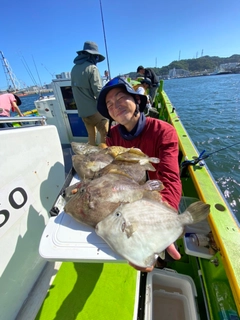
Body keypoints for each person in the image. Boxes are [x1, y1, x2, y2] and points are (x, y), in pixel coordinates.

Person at [97, 76, 182, 272]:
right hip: (129, 199)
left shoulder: (164, 131)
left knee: (161, 251)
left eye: (120, 98)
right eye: (109, 104)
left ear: (137, 100)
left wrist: (162, 217)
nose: (115, 106)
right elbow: (115, 175)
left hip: (158, 199)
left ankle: (161, 262)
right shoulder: (114, 136)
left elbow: (170, 178)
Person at [71, 41, 108, 145]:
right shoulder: (92, 68)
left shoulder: (74, 69)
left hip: (83, 113)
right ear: (91, 56)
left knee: (91, 136)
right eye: (96, 57)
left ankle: (91, 158)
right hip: (94, 111)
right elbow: (98, 91)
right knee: (105, 134)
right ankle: (103, 159)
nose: (96, 60)